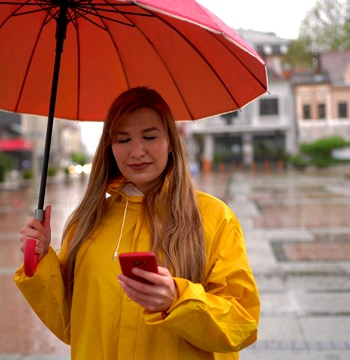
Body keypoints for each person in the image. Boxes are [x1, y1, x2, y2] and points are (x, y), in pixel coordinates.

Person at [15, 87, 259, 359]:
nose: (136, 151)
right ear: (110, 147)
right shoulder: (88, 222)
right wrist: (39, 259)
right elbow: (70, 325)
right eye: (123, 139)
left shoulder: (214, 218)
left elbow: (242, 325)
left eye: (150, 136)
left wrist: (177, 300)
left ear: (171, 141)